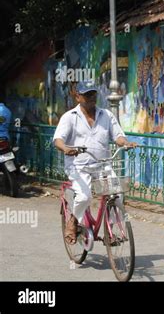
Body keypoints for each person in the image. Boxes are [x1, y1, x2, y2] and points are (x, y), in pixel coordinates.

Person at [53, 80, 137, 244]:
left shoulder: (106, 115)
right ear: (78, 96)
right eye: (87, 94)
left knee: (117, 194)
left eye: (93, 94)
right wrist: (66, 148)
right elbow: (58, 140)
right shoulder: (70, 117)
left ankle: (110, 230)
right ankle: (73, 221)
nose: (92, 97)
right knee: (84, 197)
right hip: (79, 167)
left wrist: (126, 143)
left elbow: (118, 136)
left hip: (102, 165)